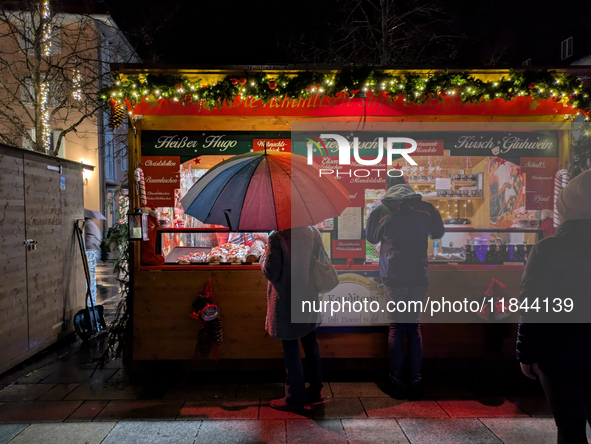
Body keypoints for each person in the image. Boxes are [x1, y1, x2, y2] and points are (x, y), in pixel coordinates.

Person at [517, 169, 591, 444]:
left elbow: (534, 304)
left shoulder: (549, 249)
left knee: (570, 429)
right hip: (563, 350)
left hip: (561, 353)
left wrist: (526, 352)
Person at [365, 174, 445, 399]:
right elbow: (438, 233)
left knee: (396, 328)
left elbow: (371, 237)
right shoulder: (426, 208)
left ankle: (396, 382)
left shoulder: (382, 210)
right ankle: (416, 382)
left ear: (388, 187)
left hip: (394, 274)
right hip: (418, 273)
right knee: (413, 328)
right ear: (407, 185)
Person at [261, 226, 325, 411]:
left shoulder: (276, 236)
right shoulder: (312, 231)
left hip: (286, 300)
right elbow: (321, 260)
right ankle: (316, 391)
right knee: (310, 342)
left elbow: (270, 272)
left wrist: (263, 256)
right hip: (307, 295)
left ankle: (294, 396)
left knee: (290, 347)